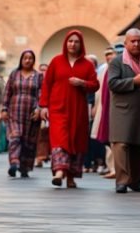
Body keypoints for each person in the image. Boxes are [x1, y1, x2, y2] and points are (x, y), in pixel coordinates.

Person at [40, 30, 100, 188]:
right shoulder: (56, 62)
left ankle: (71, 177)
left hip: (78, 111)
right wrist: (44, 106)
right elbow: (47, 84)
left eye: (76, 42)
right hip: (57, 109)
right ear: (65, 43)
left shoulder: (87, 65)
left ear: (81, 45)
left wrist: (82, 83)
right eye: (70, 41)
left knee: (75, 140)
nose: (72, 44)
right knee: (60, 139)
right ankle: (60, 171)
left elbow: (95, 85)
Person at [107, 29, 140, 193]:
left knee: (137, 146)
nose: (136, 44)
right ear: (125, 43)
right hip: (121, 110)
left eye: (139, 41)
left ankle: (135, 180)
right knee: (120, 145)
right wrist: (133, 81)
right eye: (132, 41)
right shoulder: (117, 62)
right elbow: (112, 84)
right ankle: (121, 181)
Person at [0, 50, 42, 178]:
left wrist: (39, 109)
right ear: (21, 59)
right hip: (15, 111)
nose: (28, 60)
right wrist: (4, 109)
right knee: (15, 137)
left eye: (30, 58)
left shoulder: (38, 76)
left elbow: (42, 94)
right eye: (25, 58)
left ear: (34, 61)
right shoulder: (14, 74)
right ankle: (14, 162)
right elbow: (7, 92)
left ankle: (25, 167)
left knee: (28, 141)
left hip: (31, 113)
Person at [93, 47, 116, 177]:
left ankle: (115, 169)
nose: (109, 57)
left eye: (111, 54)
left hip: (113, 107)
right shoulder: (103, 70)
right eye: (106, 54)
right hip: (102, 106)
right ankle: (111, 167)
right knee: (106, 139)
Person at [84, 55, 106, 173]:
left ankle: (99, 162)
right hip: (84, 107)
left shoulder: (98, 75)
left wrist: (93, 107)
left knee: (95, 138)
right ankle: (87, 163)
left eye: (91, 63)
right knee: (86, 138)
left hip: (93, 107)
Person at [35, 62, 52, 167]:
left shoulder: (51, 82)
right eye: (41, 69)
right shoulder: (36, 82)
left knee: (49, 135)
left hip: (50, 111)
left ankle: (48, 156)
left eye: (45, 69)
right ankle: (39, 158)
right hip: (37, 110)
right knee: (39, 135)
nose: (43, 72)